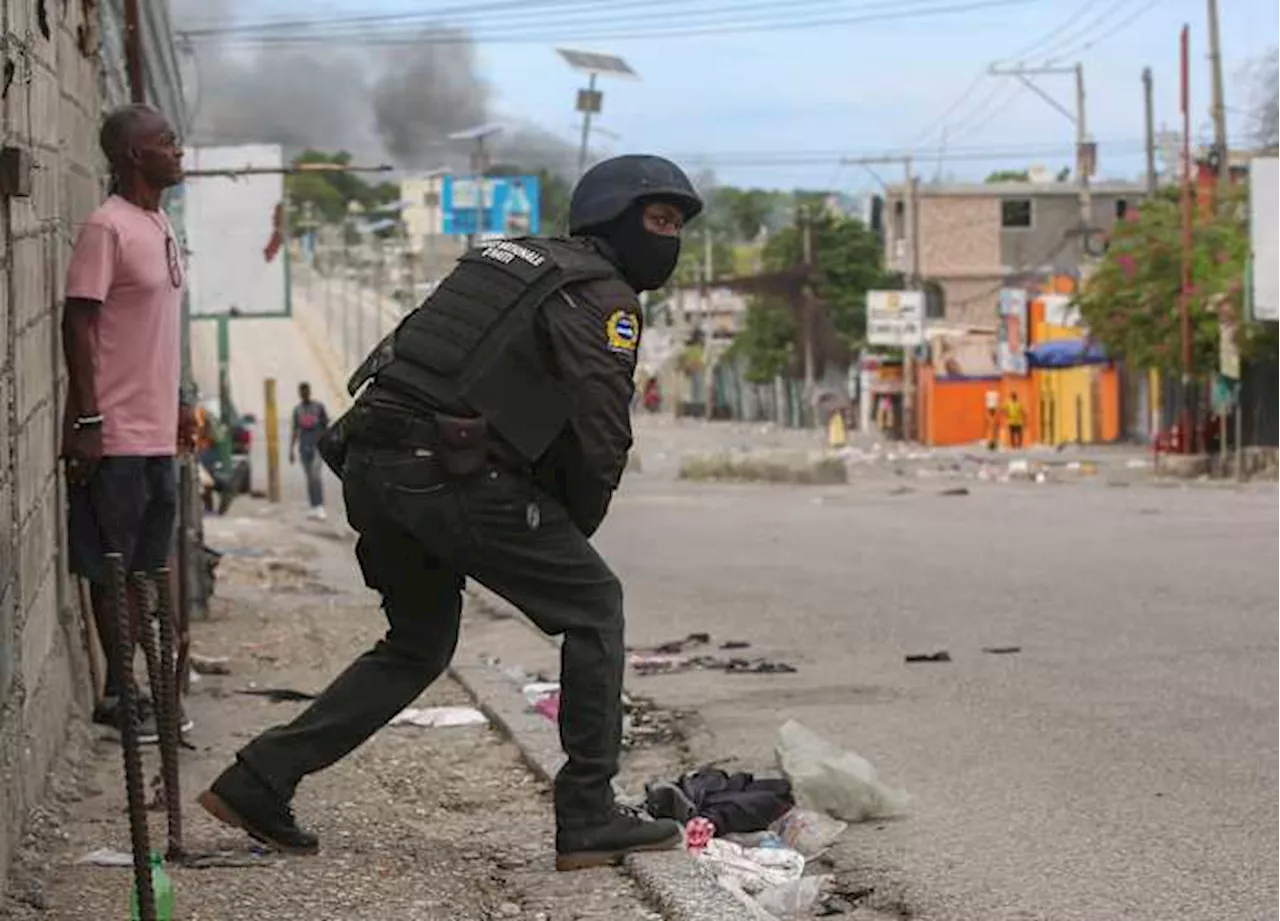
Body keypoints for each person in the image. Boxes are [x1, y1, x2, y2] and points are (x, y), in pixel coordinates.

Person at [198, 154, 703, 871]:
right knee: (594, 606)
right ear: (613, 219)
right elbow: (602, 430)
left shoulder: (504, 261)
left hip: (374, 460)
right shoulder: (604, 295)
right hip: (444, 472)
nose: (670, 237)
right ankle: (588, 811)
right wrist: (570, 534)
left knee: (420, 642)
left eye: (678, 224)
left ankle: (259, 777)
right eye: (659, 220)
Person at [61, 103, 192, 741]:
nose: (179, 150)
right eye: (167, 142)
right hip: (112, 434)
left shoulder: (158, 222)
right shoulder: (106, 227)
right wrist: (88, 418)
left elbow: (155, 333)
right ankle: (121, 692)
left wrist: (180, 404)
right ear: (136, 155)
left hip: (156, 432)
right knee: (110, 567)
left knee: (143, 565)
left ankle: (149, 689)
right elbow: (77, 323)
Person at [289, 382, 330, 520]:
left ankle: (320, 505)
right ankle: (313, 506)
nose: (304, 394)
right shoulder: (298, 410)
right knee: (309, 478)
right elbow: (295, 430)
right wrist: (291, 450)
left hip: (317, 446)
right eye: (302, 392)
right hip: (304, 447)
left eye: (306, 391)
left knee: (315, 475)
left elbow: (326, 426)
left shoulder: (318, 407)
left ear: (309, 392)